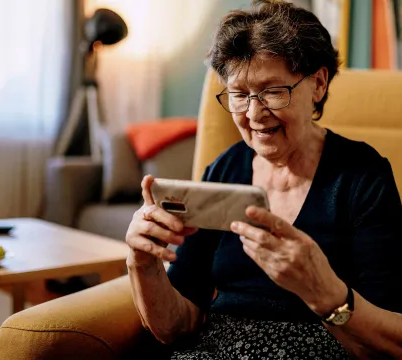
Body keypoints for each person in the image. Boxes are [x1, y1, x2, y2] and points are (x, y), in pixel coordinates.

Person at [125, 1, 402, 358]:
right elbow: (176, 328)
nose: (254, 114)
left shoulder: (362, 176)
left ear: (318, 84)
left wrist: (326, 293)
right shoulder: (225, 169)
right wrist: (142, 263)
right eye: (239, 94)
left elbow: (392, 342)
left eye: (273, 91)